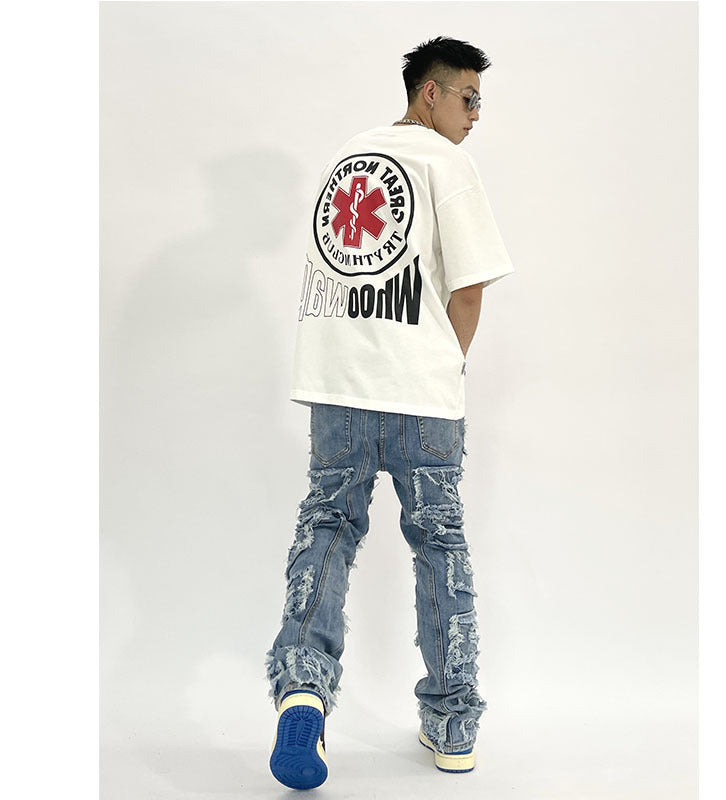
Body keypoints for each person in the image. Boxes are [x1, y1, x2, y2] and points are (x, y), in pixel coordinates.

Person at [265, 35, 514, 790]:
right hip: (418, 394)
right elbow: (469, 288)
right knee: (439, 544)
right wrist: (447, 360)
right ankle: (453, 723)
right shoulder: (446, 165)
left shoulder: (348, 158)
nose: (476, 115)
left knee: (326, 529)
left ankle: (303, 688)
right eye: (468, 98)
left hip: (338, 388)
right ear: (429, 93)